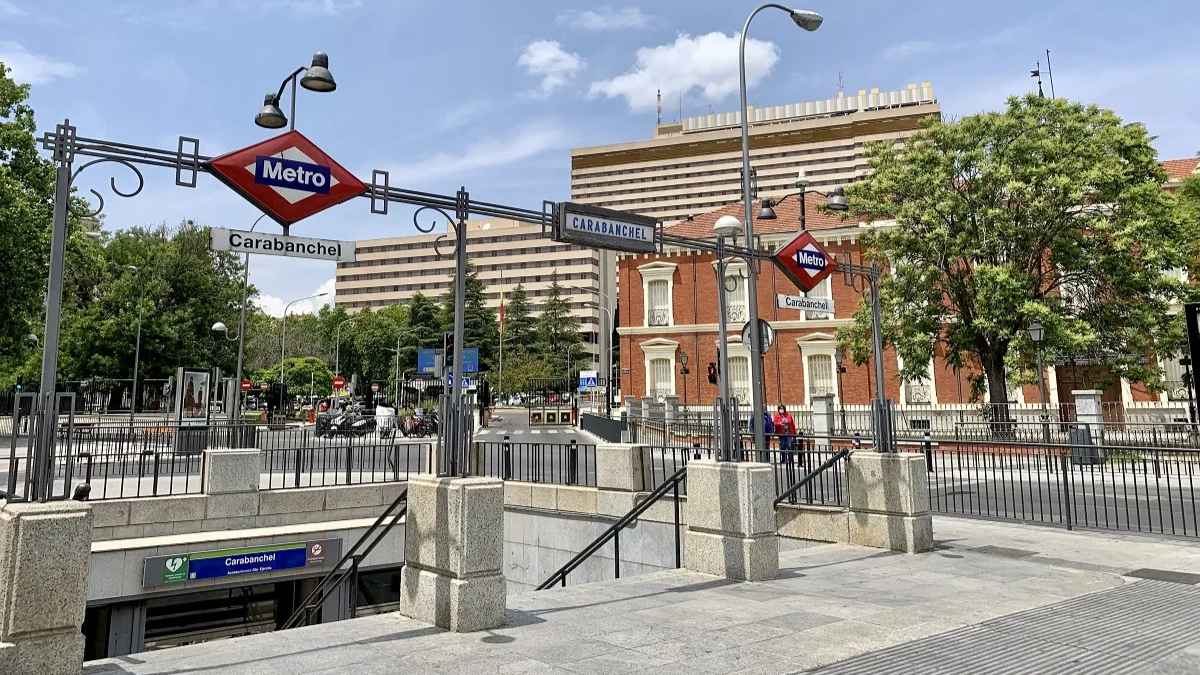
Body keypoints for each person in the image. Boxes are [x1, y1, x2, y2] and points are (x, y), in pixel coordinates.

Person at [773, 405, 799, 503]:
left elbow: (792, 424)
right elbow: (775, 424)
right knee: (782, 447)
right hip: (781, 434)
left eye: (782, 408)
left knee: (789, 446)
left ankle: (790, 459)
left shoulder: (788, 415)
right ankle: (783, 459)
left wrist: (794, 433)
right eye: (780, 409)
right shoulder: (777, 416)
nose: (781, 410)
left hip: (788, 434)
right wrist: (780, 423)